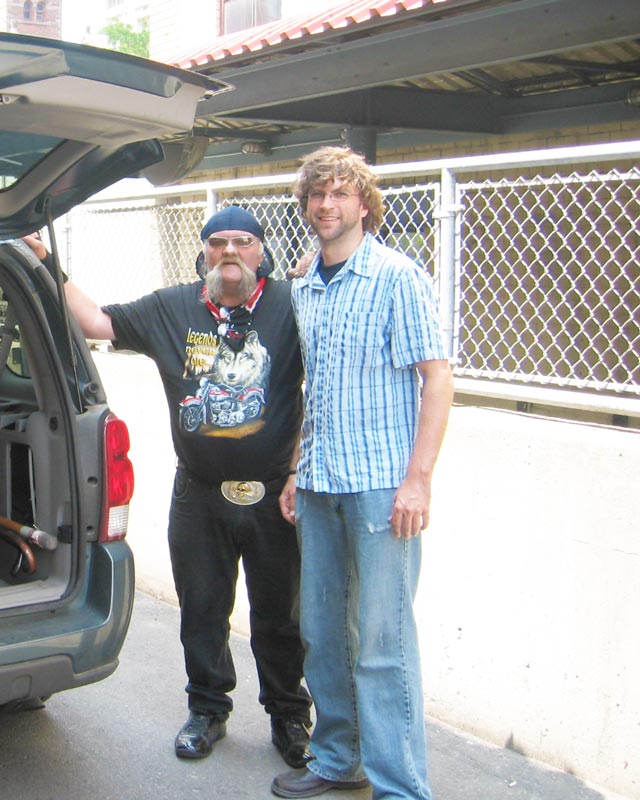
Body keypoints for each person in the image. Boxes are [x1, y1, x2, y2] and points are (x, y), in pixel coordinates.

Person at [24, 207, 313, 768]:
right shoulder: (173, 307)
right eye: (219, 242)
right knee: (202, 606)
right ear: (203, 251)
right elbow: (94, 322)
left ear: (262, 251)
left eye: (243, 241)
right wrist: (43, 259)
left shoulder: (292, 304)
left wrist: (301, 471)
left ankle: (289, 717)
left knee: (281, 614)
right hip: (199, 493)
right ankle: (207, 710)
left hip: (276, 492)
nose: (231, 251)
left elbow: (326, 380)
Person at [274, 146, 453, 800]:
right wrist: (296, 467)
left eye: (340, 193)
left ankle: (401, 786)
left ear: (363, 202)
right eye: (316, 194)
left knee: (382, 645)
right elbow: (311, 386)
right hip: (320, 485)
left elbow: (436, 378)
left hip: (383, 487)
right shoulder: (307, 285)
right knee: (323, 635)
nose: (326, 205)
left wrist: (419, 479)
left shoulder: (397, 277)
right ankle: (336, 759)